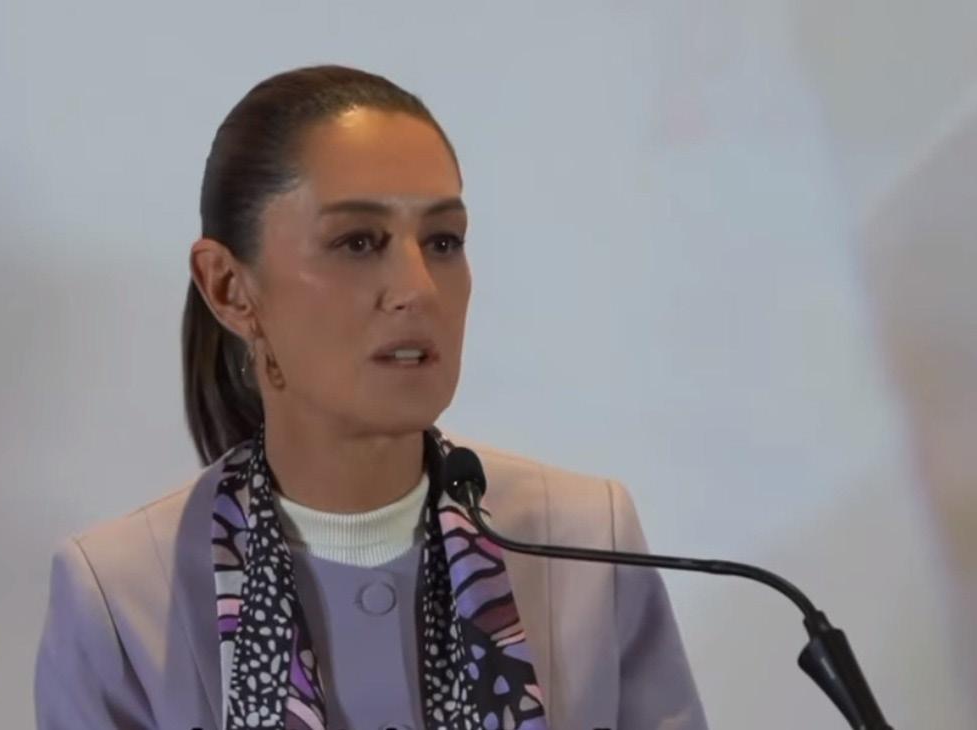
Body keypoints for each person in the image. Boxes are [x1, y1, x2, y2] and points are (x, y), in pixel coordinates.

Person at [34, 64, 707, 730]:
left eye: (443, 241)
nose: (418, 287)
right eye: (357, 242)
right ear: (229, 288)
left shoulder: (587, 542)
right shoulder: (118, 597)